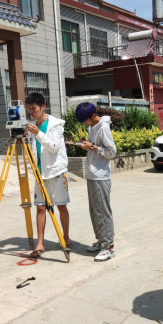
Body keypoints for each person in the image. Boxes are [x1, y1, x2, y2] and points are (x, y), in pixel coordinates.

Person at [25, 93, 71, 259]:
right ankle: (40, 243)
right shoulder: (31, 127)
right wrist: (28, 137)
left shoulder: (56, 125)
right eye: (29, 109)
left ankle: (65, 237)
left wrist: (38, 133)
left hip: (57, 172)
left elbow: (53, 147)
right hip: (40, 173)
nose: (32, 112)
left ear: (43, 107)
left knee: (61, 206)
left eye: (34, 108)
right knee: (40, 208)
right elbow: (34, 150)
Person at [75, 102, 117, 262]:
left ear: (94, 115)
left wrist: (93, 146)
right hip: (92, 174)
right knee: (94, 211)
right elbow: (94, 146)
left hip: (101, 175)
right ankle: (101, 241)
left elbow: (112, 152)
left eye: (86, 121)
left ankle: (109, 247)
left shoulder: (103, 127)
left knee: (103, 212)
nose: (85, 124)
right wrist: (86, 144)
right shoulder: (92, 127)